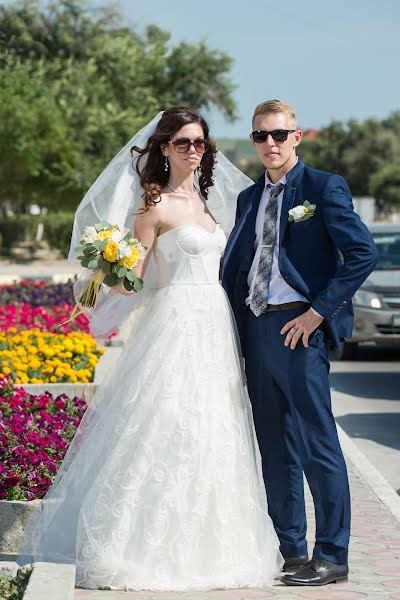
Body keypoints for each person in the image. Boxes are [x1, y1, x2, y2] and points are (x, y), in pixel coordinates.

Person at [19, 107, 283, 591]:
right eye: (182, 142)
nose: (192, 149)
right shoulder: (153, 205)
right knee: (164, 422)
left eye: (199, 142)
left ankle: (213, 546)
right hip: (174, 324)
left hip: (215, 326)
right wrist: (109, 266)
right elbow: (133, 281)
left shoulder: (209, 204)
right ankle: (138, 547)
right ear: (163, 148)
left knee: (213, 427)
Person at [222, 99, 378, 586]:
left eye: (279, 134)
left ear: (298, 136)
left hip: (299, 329)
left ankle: (332, 553)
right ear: (253, 141)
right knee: (274, 445)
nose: (270, 144)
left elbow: (362, 255)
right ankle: (290, 548)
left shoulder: (323, 187)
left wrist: (316, 313)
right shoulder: (249, 198)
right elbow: (240, 266)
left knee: (317, 444)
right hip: (258, 328)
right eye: (261, 136)